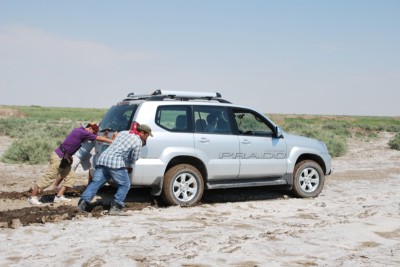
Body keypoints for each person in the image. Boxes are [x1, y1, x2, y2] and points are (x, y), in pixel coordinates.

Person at [28, 123, 114, 205]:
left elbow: (97, 138)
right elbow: (98, 138)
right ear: (90, 128)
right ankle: (33, 197)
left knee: (70, 177)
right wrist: (112, 141)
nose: (93, 134)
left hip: (65, 158)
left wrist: (105, 135)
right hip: (59, 157)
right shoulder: (82, 132)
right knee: (49, 177)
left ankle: (59, 196)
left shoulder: (81, 131)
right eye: (93, 132)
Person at [78, 123, 153, 215]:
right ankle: (116, 207)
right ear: (142, 133)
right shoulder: (138, 141)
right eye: (147, 135)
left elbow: (115, 143)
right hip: (115, 162)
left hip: (103, 158)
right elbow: (134, 158)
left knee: (96, 183)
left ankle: (82, 203)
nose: (147, 138)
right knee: (125, 184)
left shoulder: (124, 132)